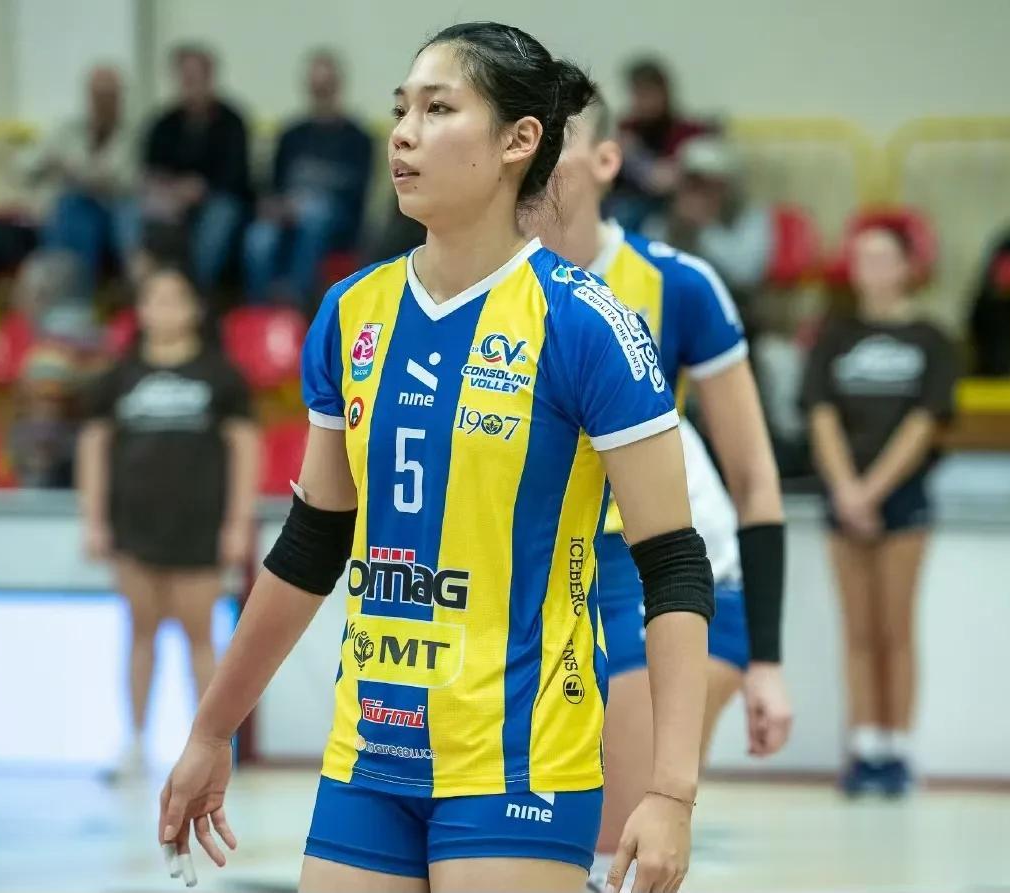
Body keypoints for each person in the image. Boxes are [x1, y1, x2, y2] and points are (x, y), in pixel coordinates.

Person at [155, 22, 715, 893]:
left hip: (521, 760)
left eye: (438, 109)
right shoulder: (351, 312)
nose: (403, 134)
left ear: (519, 141)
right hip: (368, 756)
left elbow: (674, 563)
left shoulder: (585, 323)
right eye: (400, 110)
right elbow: (310, 545)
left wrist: (671, 789)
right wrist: (210, 728)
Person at [532, 100, 792, 892]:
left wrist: (768, 660)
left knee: (615, 845)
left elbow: (754, 478)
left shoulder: (677, 284)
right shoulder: (486, 284)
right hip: (546, 568)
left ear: (608, 161)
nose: (535, 152)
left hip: (664, 571)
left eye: (559, 136)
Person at [77, 267, 260, 783]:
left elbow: (245, 448)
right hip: (134, 527)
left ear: (194, 310)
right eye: (154, 299)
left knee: (201, 638)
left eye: (175, 298)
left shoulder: (220, 375)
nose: (165, 309)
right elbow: (94, 446)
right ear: (140, 311)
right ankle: (135, 744)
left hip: (198, 526)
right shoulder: (118, 376)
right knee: (140, 635)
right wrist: (94, 519)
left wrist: (237, 522)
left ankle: (211, 748)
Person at [802, 225, 959, 798]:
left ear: (907, 267)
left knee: (896, 627)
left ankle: (898, 750)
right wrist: (847, 490)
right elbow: (820, 415)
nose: (871, 268)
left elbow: (925, 421)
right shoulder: (833, 337)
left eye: (883, 257)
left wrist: (872, 491)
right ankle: (865, 746)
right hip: (843, 499)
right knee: (859, 629)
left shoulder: (932, 340)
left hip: (903, 498)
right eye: (862, 257)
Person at [243, 50, 374, 309]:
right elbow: (274, 185)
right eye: (316, 87)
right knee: (259, 236)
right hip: (287, 214)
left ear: (338, 87)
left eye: (326, 86)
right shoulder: (291, 134)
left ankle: (295, 301)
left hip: (336, 221)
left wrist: (304, 204)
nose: (321, 93)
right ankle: (259, 311)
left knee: (316, 212)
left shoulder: (358, 138)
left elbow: (356, 195)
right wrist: (279, 206)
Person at [141, 44, 253, 298]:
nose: (190, 84)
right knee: (136, 211)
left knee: (220, 215)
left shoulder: (232, 121)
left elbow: (237, 176)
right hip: (172, 200)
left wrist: (201, 188)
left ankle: (197, 292)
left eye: (196, 77)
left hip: (219, 199)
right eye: (185, 78)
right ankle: (146, 289)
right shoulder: (164, 123)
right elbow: (151, 170)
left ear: (210, 78)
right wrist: (174, 190)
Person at [25, 65, 140, 297]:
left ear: (120, 98)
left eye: (109, 96)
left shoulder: (134, 134)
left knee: (83, 211)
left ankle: (76, 297)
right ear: (89, 97)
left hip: (115, 215)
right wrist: (49, 164)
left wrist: (82, 174)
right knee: (71, 209)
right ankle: (69, 297)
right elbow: (24, 168)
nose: (103, 102)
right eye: (98, 95)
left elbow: (128, 182)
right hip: (72, 211)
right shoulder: (66, 130)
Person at [645, 136, 774, 309]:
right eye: (694, 183)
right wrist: (679, 227)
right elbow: (648, 267)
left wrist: (706, 228)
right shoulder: (664, 218)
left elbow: (745, 275)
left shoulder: (750, 216)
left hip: (732, 308)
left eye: (710, 183)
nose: (700, 192)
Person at [607, 58, 717, 232]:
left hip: (672, 210)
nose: (644, 101)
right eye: (638, 94)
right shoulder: (626, 130)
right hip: (628, 207)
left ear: (664, 93)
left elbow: (668, 179)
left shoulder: (686, 132)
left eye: (649, 93)